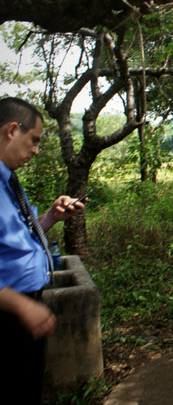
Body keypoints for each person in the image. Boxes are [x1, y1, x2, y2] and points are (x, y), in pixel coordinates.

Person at [0, 97, 85, 404]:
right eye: (33, 141)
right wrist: (21, 306)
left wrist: (51, 218)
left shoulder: (8, 182)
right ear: (12, 130)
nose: (35, 151)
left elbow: (15, 237)